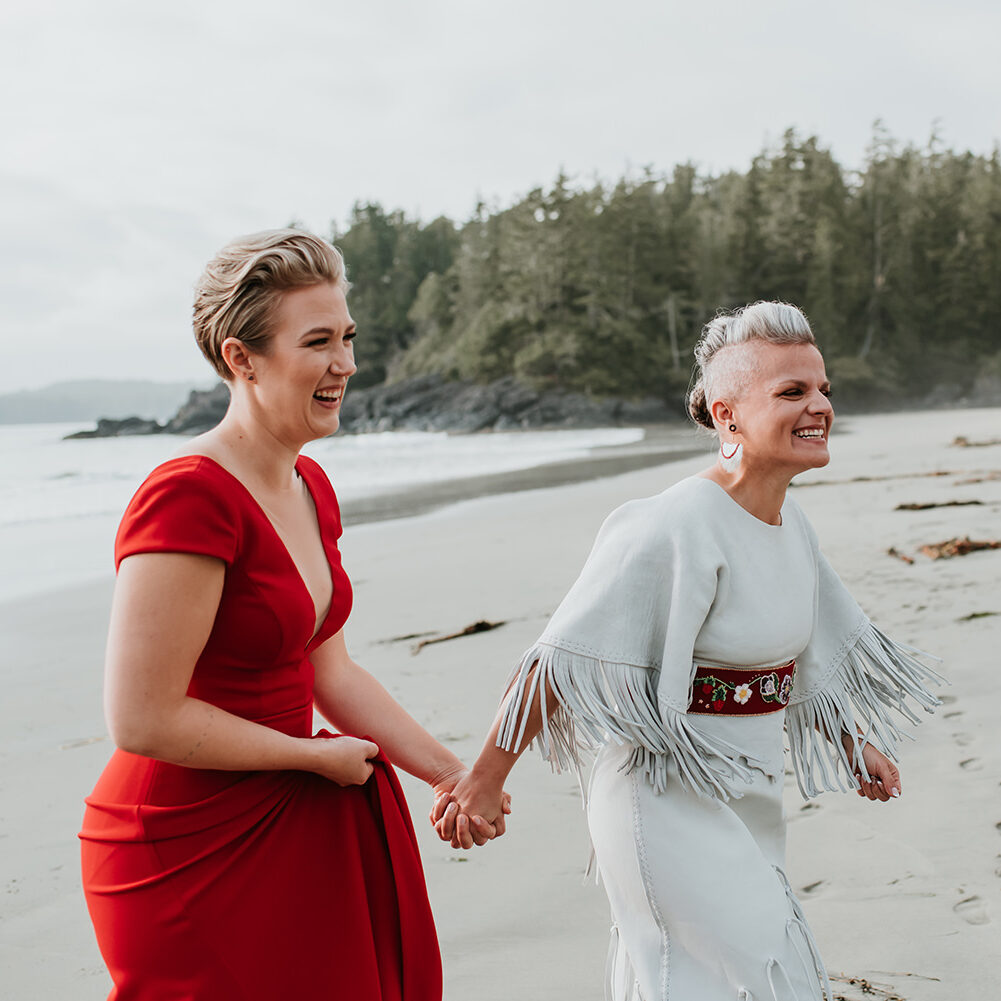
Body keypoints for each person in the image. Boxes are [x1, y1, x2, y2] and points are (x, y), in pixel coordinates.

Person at [433, 301, 941, 1000]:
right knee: (725, 976)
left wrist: (848, 739)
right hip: (660, 796)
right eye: (792, 391)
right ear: (727, 416)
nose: (818, 405)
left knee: (759, 971)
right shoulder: (672, 523)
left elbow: (797, 654)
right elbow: (558, 659)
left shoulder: (789, 523)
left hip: (748, 786)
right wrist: (484, 779)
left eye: (823, 389)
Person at [80, 228, 503, 1000]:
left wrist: (449, 774)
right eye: (317, 341)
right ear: (242, 358)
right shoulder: (187, 496)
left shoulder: (312, 487)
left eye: (347, 337)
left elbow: (331, 674)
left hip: (293, 807)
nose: (345, 363)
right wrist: (310, 756)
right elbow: (141, 717)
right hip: (182, 840)